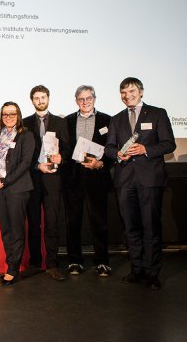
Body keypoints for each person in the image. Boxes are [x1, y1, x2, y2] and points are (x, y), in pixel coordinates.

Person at [105, 77, 175, 290]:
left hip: (150, 179)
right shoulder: (116, 119)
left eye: (132, 91)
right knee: (131, 228)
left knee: (151, 227)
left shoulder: (157, 113)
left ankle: (152, 273)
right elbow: (108, 147)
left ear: (141, 92)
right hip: (125, 180)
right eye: (124, 92)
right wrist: (117, 153)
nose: (128, 95)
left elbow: (169, 144)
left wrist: (146, 150)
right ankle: (137, 270)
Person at [0, 102, 34, 285]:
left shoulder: (26, 136)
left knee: (17, 229)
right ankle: (11, 263)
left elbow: (25, 164)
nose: (9, 117)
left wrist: (6, 181)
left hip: (17, 188)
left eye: (12, 114)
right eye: (5, 114)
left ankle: (13, 268)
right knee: (6, 230)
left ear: (18, 115)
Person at [63, 86, 113, 277]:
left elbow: (112, 149)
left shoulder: (107, 120)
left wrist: (101, 164)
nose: (85, 102)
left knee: (100, 222)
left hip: (97, 178)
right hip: (73, 179)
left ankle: (102, 261)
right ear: (76, 101)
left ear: (94, 98)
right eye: (81, 99)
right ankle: (74, 261)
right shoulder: (67, 121)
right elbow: (64, 149)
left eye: (88, 98)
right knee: (73, 222)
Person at [23, 85, 70, 281]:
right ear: (32, 100)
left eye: (43, 97)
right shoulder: (24, 123)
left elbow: (68, 148)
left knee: (52, 222)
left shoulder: (60, 121)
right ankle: (35, 263)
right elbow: (23, 154)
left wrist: (62, 158)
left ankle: (52, 264)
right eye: (36, 98)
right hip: (32, 178)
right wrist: (36, 165)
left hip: (53, 179)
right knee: (33, 223)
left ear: (48, 98)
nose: (40, 100)